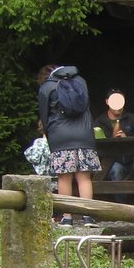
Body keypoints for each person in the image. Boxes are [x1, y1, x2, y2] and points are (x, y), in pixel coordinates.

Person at [37, 64, 99, 226]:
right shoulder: (80, 82)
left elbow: (44, 115)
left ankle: (67, 217)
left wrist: (48, 133)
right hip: (84, 134)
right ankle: (88, 216)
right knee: (84, 178)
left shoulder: (46, 87)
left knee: (64, 178)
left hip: (60, 136)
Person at [94, 88, 134, 204]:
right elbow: (97, 144)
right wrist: (112, 139)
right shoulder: (99, 122)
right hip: (111, 162)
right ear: (107, 102)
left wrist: (127, 138)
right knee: (116, 170)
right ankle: (121, 206)